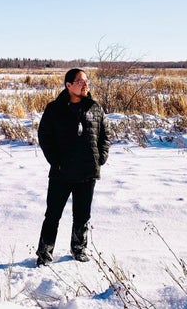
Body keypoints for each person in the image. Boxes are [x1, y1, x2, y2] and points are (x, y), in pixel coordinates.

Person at [35, 68, 110, 266]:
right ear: (68, 85)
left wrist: (100, 158)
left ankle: (79, 249)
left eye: (86, 81)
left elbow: (105, 135)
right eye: (80, 81)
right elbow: (44, 136)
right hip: (62, 172)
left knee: (83, 215)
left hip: (87, 172)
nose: (85, 84)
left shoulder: (95, 108)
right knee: (53, 214)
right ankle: (44, 253)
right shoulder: (54, 109)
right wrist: (56, 161)